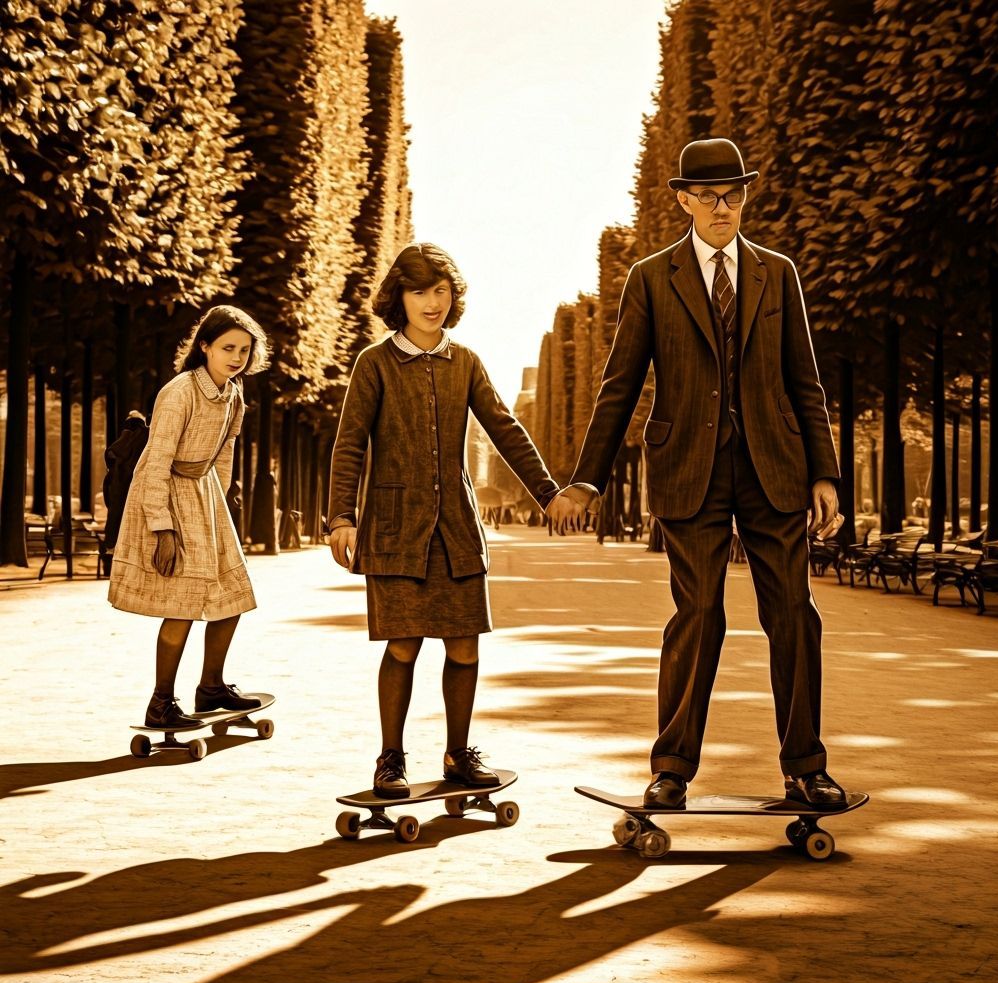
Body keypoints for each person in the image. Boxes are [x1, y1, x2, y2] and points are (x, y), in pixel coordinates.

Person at [549, 138, 848, 810]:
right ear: (683, 200)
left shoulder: (779, 273)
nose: (723, 206)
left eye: (734, 193)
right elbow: (619, 385)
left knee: (795, 615)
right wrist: (587, 479)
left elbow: (806, 383)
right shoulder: (652, 277)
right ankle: (673, 768)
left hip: (776, 468)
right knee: (699, 613)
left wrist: (824, 474)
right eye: (709, 195)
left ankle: (806, 766)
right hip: (690, 470)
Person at [327, 242, 560, 798]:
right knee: (403, 645)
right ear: (398, 298)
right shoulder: (374, 363)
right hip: (393, 529)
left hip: (456, 529)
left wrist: (550, 494)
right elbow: (349, 443)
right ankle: (390, 759)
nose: (431, 302)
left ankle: (459, 753)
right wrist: (340, 517)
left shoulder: (467, 363)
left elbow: (506, 430)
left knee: (465, 647)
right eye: (418, 291)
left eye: (440, 290)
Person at [108, 305, 270, 729]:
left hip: (205, 495)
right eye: (227, 348)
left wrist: (222, 506)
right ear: (205, 347)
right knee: (181, 604)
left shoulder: (234, 394)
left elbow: (225, 452)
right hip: (166, 491)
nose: (237, 357)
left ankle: (211, 687)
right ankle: (161, 702)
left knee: (233, 597)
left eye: (244, 350)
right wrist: (162, 527)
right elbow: (157, 460)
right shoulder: (179, 391)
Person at [100, 410, 150, 577]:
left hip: (118, 490)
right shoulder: (145, 438)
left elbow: (111, 455)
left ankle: (111, 557)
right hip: (134, 490)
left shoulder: (120, 444)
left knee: (115, 522)